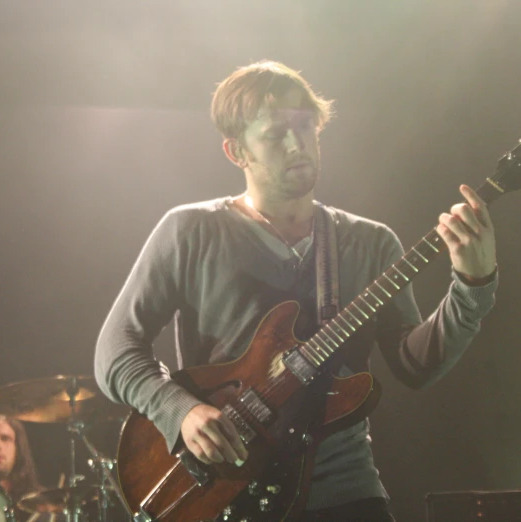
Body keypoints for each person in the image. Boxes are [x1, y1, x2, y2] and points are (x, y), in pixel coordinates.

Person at [94, 60, 498, 522]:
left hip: (345, 490)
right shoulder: (190, 230)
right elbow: (115, 350)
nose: (296, 143)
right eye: (275, 134)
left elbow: (414, 367)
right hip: (228, 488)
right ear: (236, 151)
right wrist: (179, 412)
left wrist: (472, 284)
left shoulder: (370, 241)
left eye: (306, 127)